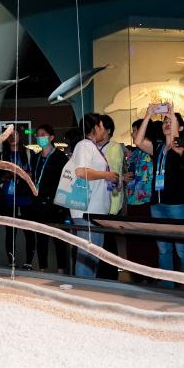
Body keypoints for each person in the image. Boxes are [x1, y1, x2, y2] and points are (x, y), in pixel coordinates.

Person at [135, 104, 184, 288]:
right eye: (164, 122)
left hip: (177, 204)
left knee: (183, 248)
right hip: (158, 204)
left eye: (171, 121)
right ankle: (167, 284)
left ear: (180, 127)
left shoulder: (182, 146)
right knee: (163, 249)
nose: (167, 124)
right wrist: (148, 115)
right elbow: (138, 141)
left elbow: (179, 142)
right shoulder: (158, 147)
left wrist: (172, 114)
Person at [68, 113, 117, 277]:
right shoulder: (84, 145)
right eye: (102, 125)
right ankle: (84, 287)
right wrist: (106, 175)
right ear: (96, 127)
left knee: (93, 255)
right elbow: (81, 172)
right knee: (87, 254)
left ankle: (89, 286)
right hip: (87, 210)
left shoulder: (92, 146)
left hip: (94, 210)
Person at [25, 124, 70, 272]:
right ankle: (42, 268)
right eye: (38, 135)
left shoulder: (60, 157)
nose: (40, 137)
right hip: (38, 203)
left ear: (51, 137)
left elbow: (64, 182)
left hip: (55, 204)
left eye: (43, 135)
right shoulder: (36, 157)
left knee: (58, 238)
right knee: (41, 238)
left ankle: (61, 269)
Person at [121, 118, 159, 272]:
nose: (132, 133)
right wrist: (125, 177)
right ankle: (136, 271)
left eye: (135, 130)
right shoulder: (135, 153)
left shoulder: (154, 149)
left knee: (148, 239)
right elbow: (130, 173)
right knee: (134, 239)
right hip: (132, 200)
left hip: (147, 201)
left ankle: (151, 271)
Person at [0, 126, 37, 267]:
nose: (13, 137)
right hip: (8, 198)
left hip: (26, 198)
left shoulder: (29, 153)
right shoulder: (1, 156)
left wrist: (23, 174)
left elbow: (35, 175)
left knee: (28, 231)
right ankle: (11, 263)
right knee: (10, 232)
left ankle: (28, 263)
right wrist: (7, 176)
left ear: (20, 136)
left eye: (15, 134)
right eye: (10, 135)